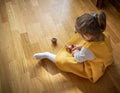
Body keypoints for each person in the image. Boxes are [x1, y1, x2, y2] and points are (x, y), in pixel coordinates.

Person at [33, 10, 113, 83]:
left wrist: (75, 51)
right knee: (82, 42)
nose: (79, 35)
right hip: (102, 57)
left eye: (81, 34)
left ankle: (47, 55)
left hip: (93, 66)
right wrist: (81, 47)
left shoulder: (87, 50)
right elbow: (96, 48)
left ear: (87, 36)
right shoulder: (104, 34)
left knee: (61, 61)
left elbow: (78, 58)